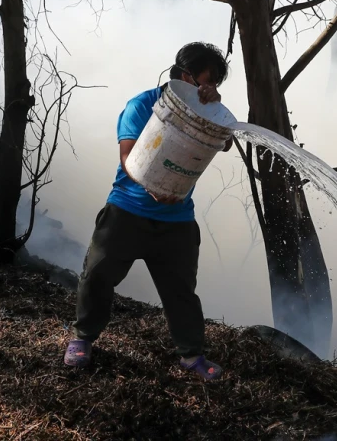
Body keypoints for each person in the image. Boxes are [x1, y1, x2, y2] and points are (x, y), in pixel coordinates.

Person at [63, 42, 232, 380]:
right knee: (97, 277)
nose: (211, 88)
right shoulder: (143, 105)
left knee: (181, 292)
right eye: (206, 79)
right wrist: (152, 187)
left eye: (215, 83)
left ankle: (192, 356)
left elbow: (225, 141)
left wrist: (214, 110)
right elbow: (128, 158)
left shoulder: (206, 111)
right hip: (127, 212)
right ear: (185, 75)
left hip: (177, 221)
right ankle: (82, 339)